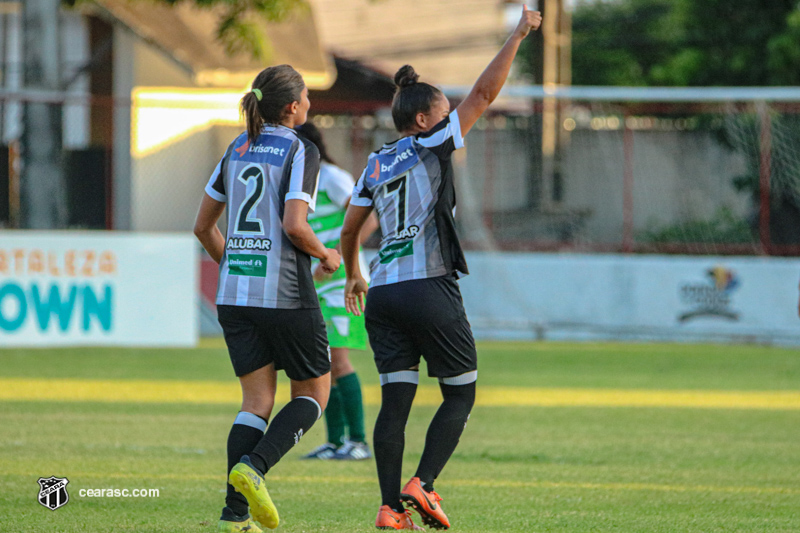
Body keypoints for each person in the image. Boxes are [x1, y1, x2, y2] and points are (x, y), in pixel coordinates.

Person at [339, 6, 542, 531]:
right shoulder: (433, 143)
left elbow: (348, 229)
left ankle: (389, 509)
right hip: (429, 286)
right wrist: (518, 33)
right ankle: (422, 484)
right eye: (444, 111)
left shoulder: (376, 163)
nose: (454, 116)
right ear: (426, 120)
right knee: (462, 391)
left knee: (396, 402)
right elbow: (484, 95)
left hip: (383, 292)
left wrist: (354, 273)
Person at [193, 64, 340, 532]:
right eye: (308, 99)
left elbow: (203, 227)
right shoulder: (301, 149)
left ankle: (233, 515)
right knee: (316, 392)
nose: (311, 106)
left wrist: (236, 267)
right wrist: (326, 253)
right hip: (286, 293)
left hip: (235, 295)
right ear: (293, 107)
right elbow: (295, 225)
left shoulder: (237, 147)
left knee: (255, 401)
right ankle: (255, 468)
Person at [294, 122, 380, 461]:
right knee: (324, 362)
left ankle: (357, 442)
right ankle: (334, 442)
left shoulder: (330, 175)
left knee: (339, 360)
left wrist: (346, 261)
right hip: (320, 283)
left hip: (344, 282)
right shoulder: (301, 183)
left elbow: (367, 218)